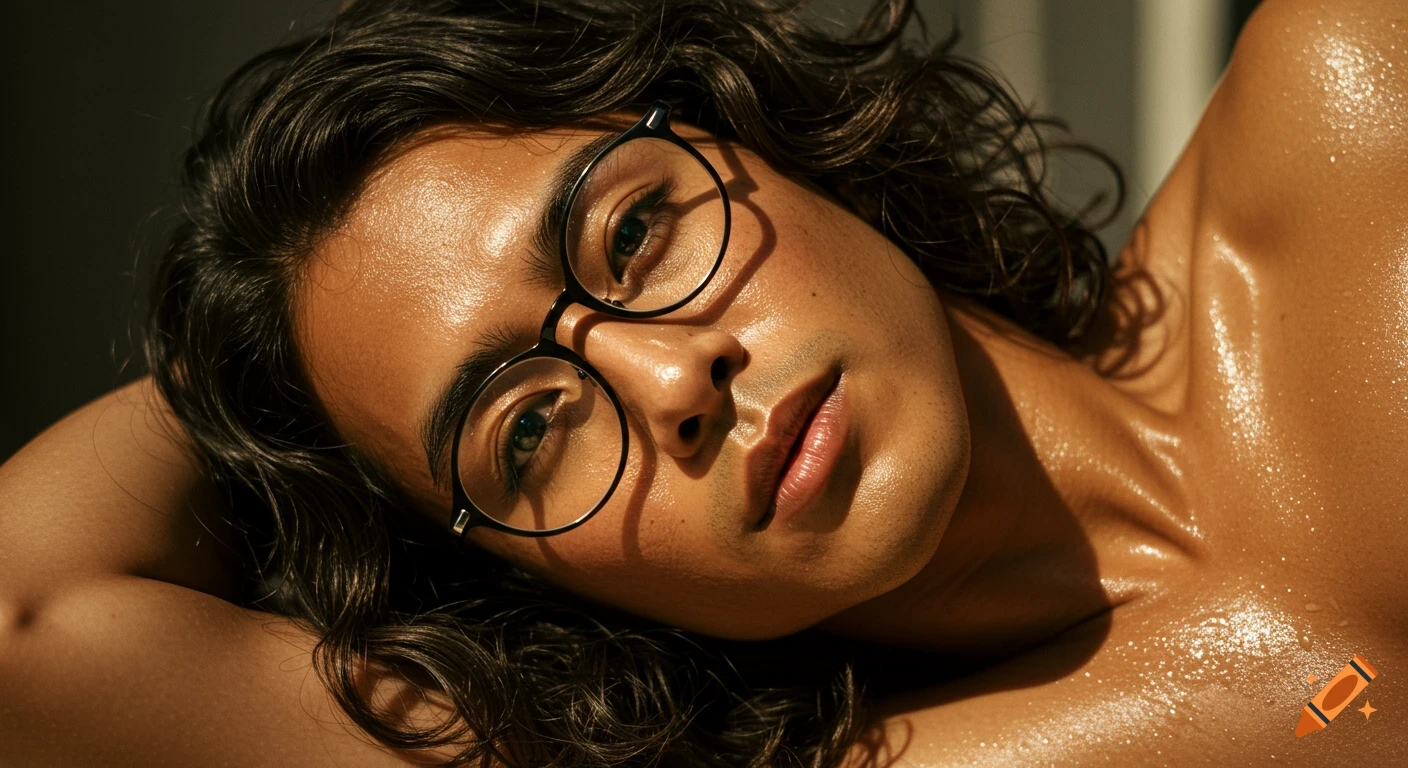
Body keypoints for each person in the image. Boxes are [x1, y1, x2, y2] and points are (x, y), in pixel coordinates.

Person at [2, 0, 1405, 765]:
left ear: (757, 130)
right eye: (530, 427)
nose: (671, 378)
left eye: (632, 232)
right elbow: (26, 626)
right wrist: (255, 387)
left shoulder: (1359, 99)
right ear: (535, 586)